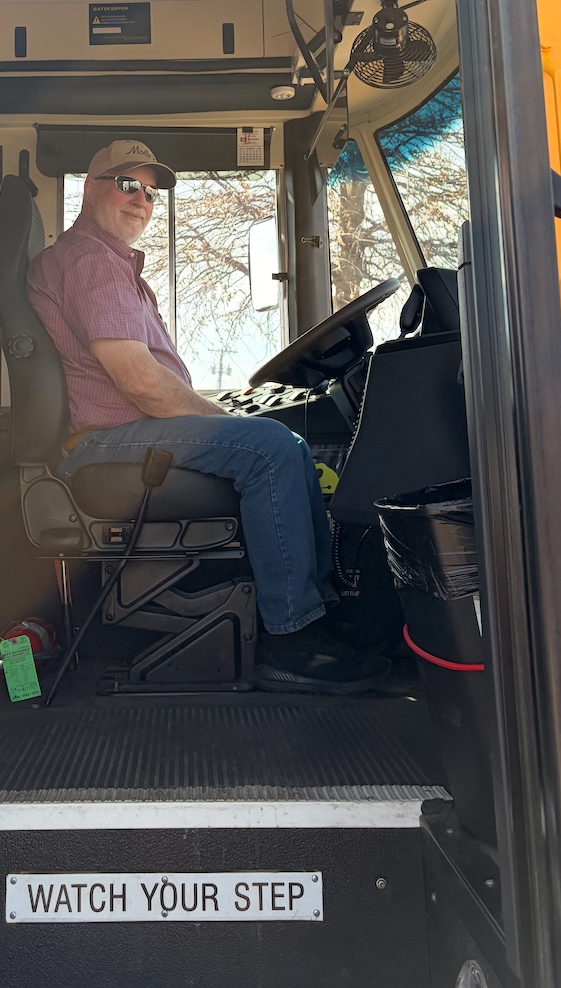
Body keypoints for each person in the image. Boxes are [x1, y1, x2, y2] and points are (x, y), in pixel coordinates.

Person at [27, 138, 390, 695]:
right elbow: (140, 383)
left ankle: (319, 616)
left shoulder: (103, 263)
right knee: (272, 448)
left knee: (278, 442)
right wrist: (228, 421)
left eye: (149, 193)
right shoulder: (91, 262)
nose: (141, 202)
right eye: (128, 185)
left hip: (123, 435)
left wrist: (227, 418)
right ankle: (291, 640)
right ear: (91, 187)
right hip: (106, 442)